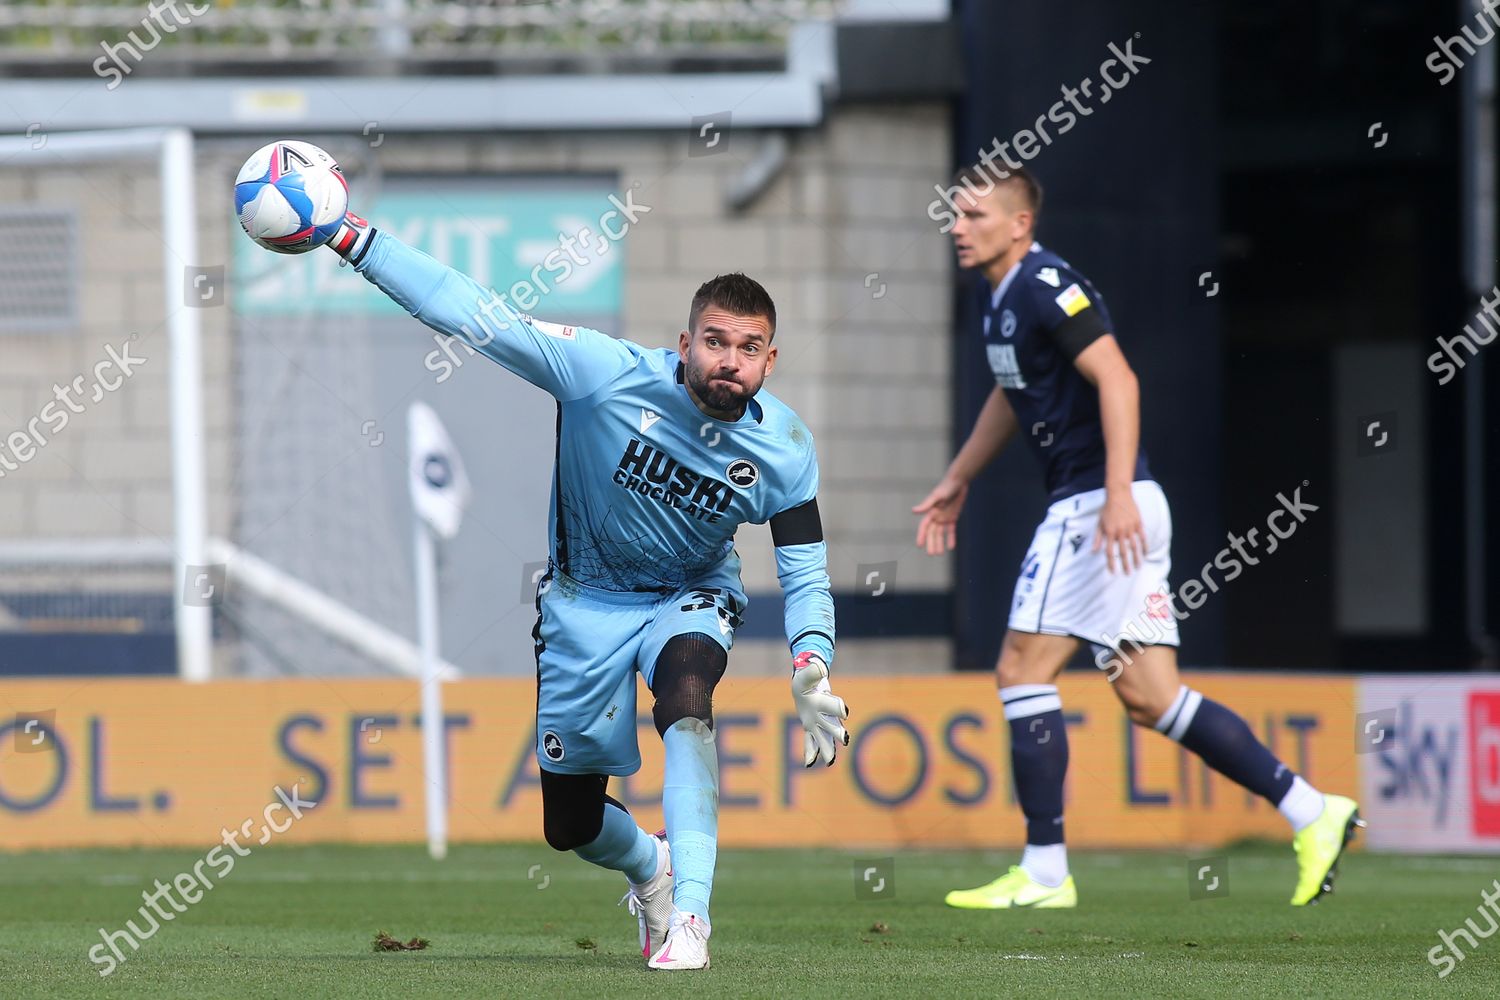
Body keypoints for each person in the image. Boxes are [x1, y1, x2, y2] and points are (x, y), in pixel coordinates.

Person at [293, 208, 850, 969]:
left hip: (690, 595)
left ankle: (692, 916)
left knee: (687, 703)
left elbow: (804, 566)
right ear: (684, 344)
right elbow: (472, 311)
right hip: (584, 603)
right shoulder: (603, 374)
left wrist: (811, 658)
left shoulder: (784, 450)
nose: (730, 361)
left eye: (748, 349)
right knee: (572, 825)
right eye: (715, 342)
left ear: (769, 361)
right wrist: (354, 239)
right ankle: (649, 868)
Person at [913, 164, 1360, 909]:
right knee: (1152, 697)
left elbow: (1118, 379)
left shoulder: (1044, 283)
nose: (959, 225)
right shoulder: (999, 302)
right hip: (1115, 505)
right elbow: (1011, 390)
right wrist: (961, 475)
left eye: (976, 214)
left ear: (1020, 223)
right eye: (956, 213)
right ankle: (1314, 811)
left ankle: (1046, 871)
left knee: (1021, 669)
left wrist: (1115, 492)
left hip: (1097, 508)